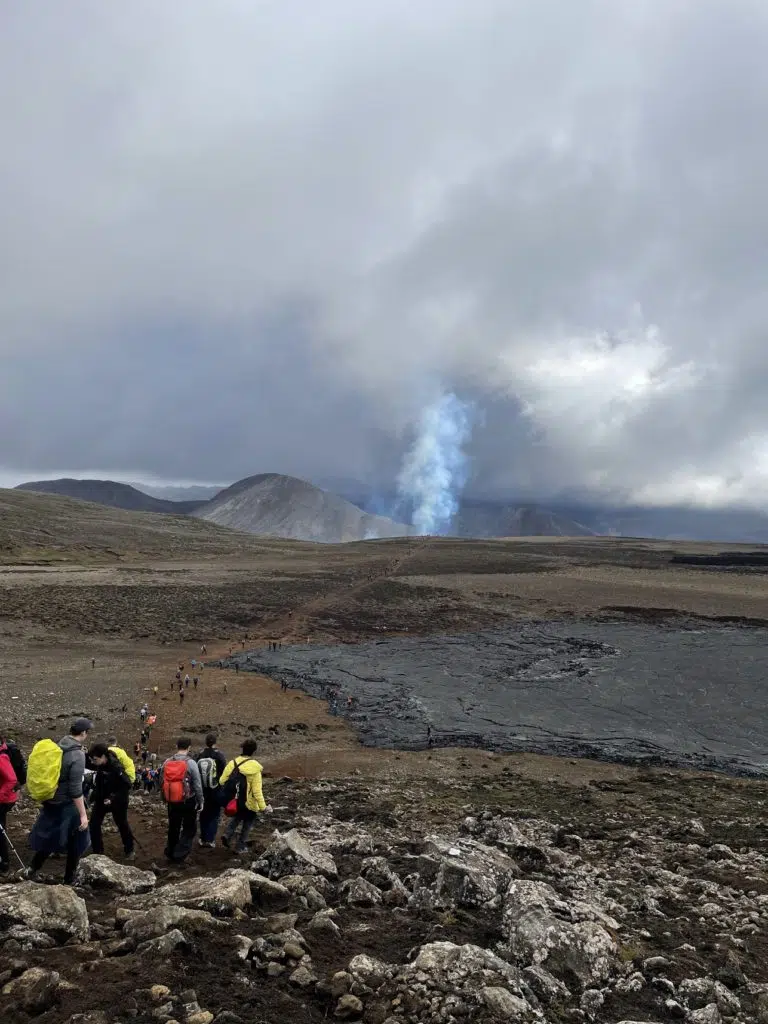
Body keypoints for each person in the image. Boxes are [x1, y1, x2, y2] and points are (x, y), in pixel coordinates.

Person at [26, 718, 92, 884]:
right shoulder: (77, 755)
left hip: (51, 800)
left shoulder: (58, 746)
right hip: (67, 804)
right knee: (77, 840)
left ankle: (32, 868)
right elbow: (75, 789)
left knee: (51, 836)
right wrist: (83, 814)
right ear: (83, 733)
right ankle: (69, 879)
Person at [219, 739, 272, 854]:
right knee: (247, 825)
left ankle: (227, 834)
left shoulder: (233, 763)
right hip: (250, 802)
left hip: (236, 800)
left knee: (237, 817)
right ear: (254, 751)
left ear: (242, 748)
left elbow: (222, 781)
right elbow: (257, 791)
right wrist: (263, 807)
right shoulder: (256, 767)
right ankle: (240, 847)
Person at [87, 742, 135, 860]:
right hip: (102, 798)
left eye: (95, 759)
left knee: (122, 823)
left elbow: (126, 785)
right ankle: (97, 852)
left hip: (118, 800)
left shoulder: (116, 767)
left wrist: (113, 798)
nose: (93, 762)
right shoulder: (100, 765)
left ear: (103, 756)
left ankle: (130, 850)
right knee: (94, 824)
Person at [160, 737, 203, 862]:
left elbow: (161, 781)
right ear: (189, 747)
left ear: (176, 746)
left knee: (174, 827)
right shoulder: (191, 763)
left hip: (172, 801)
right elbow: (197, 784)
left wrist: (164, 797)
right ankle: (180, 854)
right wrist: (200, 801)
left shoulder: (167, 761)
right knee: (189, 828)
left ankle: (170, 851)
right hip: (188, 801)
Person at [194, 734, 227, 848]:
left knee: (203, 813)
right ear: (215, 743)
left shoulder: (200, 754)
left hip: (203, 789)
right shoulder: (219, 755)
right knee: (214, 814)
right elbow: (224, 771)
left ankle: (203, 838)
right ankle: (210, 839)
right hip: (216, 789)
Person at [0, 737, 21, 873]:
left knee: (0, 830)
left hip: (4, 800)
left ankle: (4, 863)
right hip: (5, 797)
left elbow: (12, 779)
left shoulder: (2, 758)